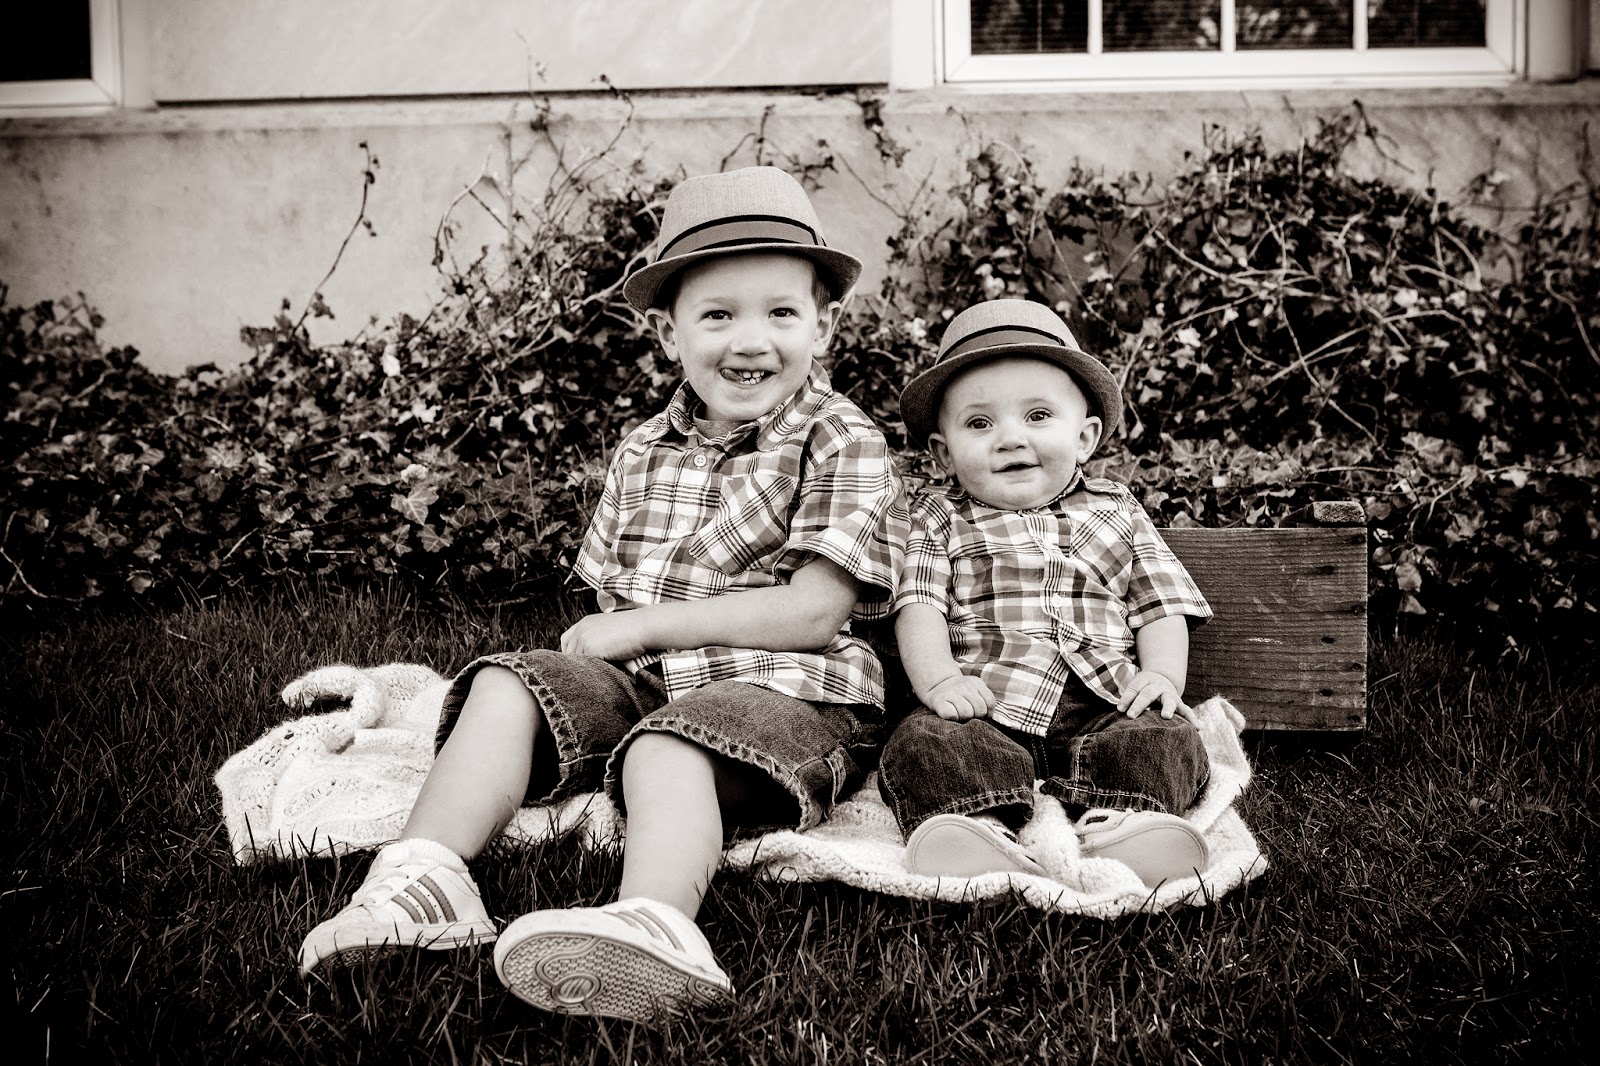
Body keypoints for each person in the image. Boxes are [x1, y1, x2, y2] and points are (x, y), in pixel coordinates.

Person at [297, 166, 903, 1023]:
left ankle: (655, 926)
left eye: (780, 313)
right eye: (717, 316)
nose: (750, 341)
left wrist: (642, 627)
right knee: (509, 683)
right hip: (650, 680)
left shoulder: (840, 437)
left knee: (668, 748)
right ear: (668, 333)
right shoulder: (643, 450)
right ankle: (423, 881)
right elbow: (615, 608)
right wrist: (605, 656)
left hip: (791, 697)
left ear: (824, 324)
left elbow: (815, 612)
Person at [879, 298, 1214, 888]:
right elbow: (918, 606)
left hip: (1106, 700)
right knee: (924, 741)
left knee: (1166, 737)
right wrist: (940, 682)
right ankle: (979, 826)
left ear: (1084, 437)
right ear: (943, 453)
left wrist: (1162, 676)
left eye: (1037, 416)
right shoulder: (938, 516)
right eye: (979, 424)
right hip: (986, 702)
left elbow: (1159, 604)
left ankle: (1123, 821)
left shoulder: (1117, 510)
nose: (1010, 439)